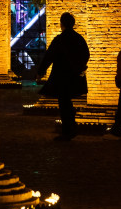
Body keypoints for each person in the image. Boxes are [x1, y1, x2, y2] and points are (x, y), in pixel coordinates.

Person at [37, 12, 90, 141]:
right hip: (75, 77)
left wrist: (41, 71)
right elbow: (86, 54)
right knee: (67, 102)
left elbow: (49, 56)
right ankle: (70, 126)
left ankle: (68, 131)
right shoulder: (79, 38)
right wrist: (80, 67)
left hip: (62, 77)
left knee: (64, 103)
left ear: (62, 24)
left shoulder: (59, 39)